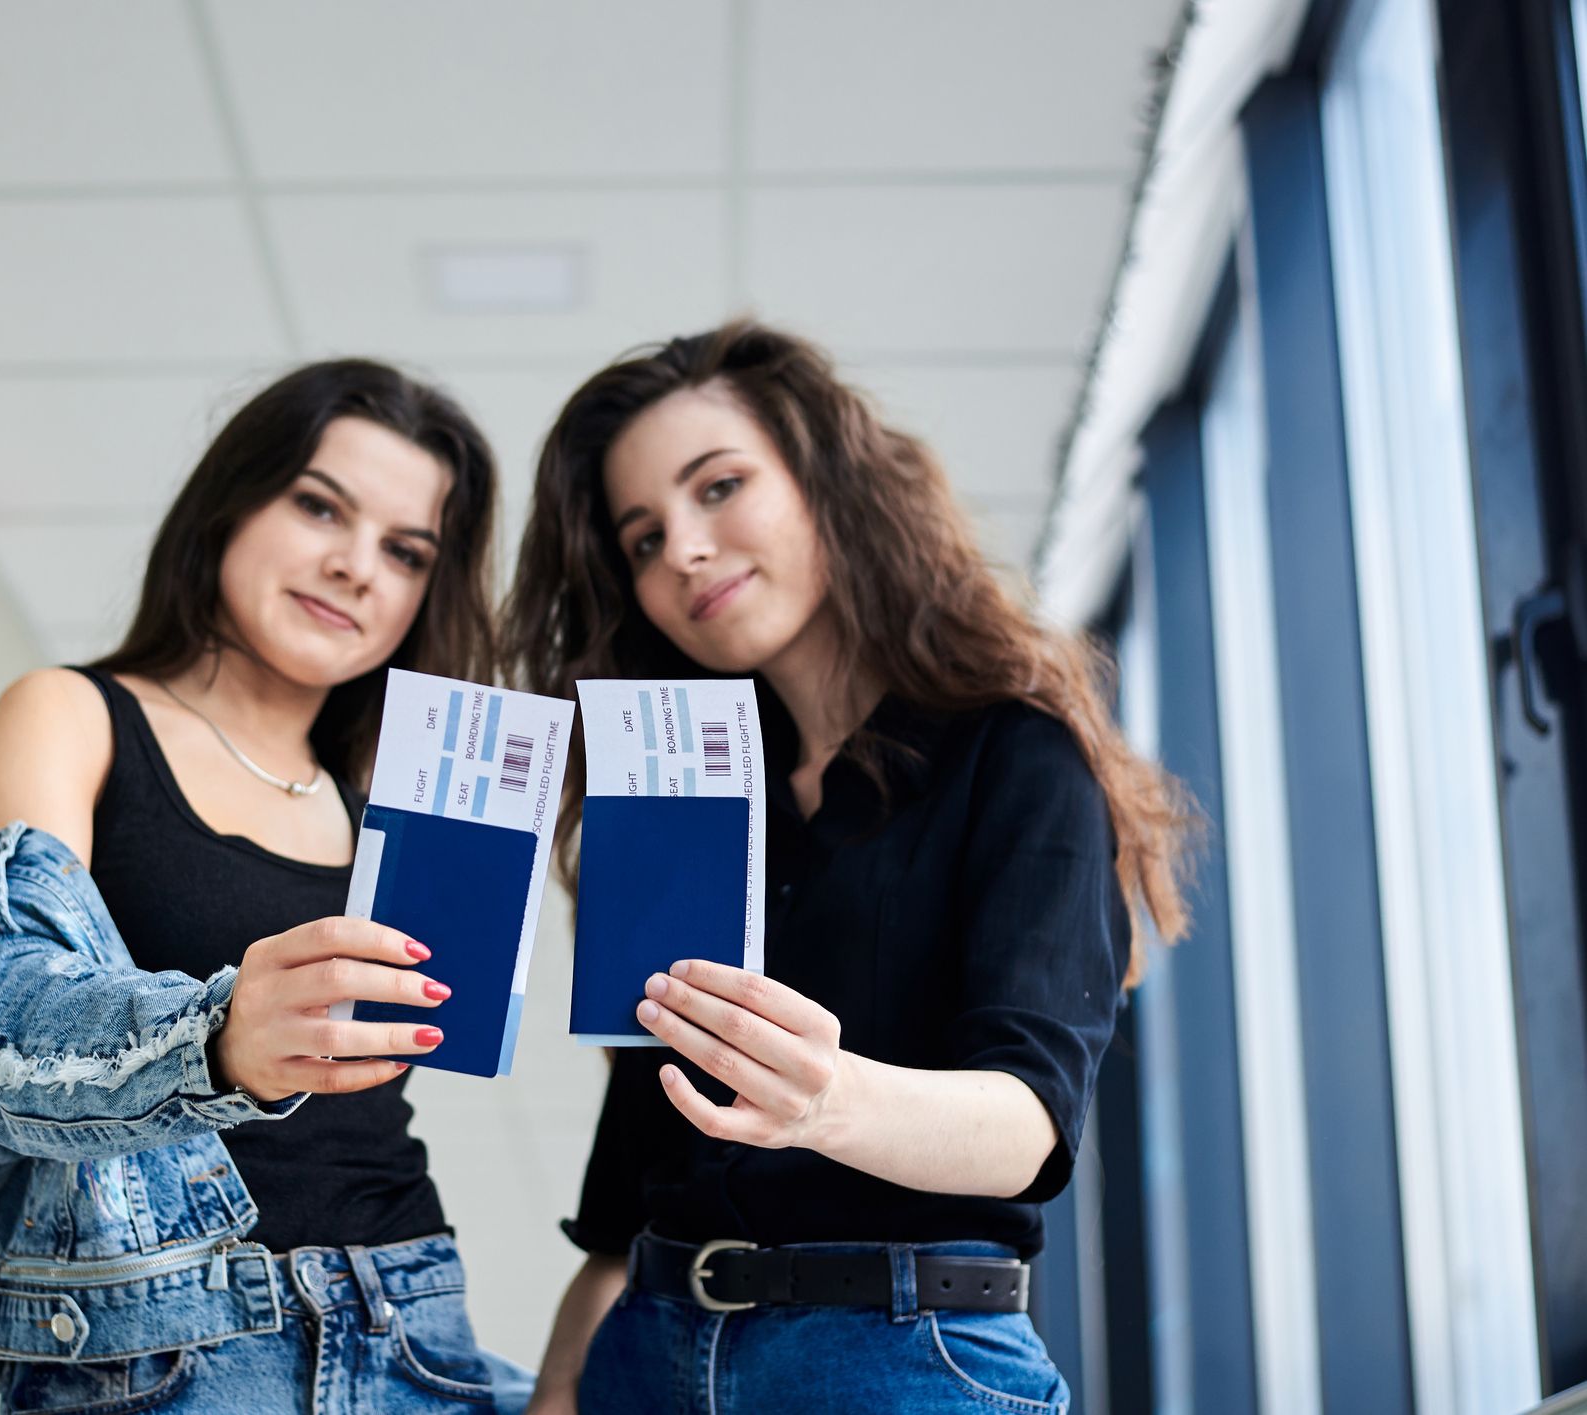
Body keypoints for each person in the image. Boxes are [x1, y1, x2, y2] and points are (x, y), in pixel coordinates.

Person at [501, 321, 1194, 1413]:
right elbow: (634, 1191)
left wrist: (827, 1099)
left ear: (830, 481)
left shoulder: (1014, 755)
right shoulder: (683, 804)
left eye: (718, 486)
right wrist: (555, 1398)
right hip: (647, 1352)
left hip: (899, 1361)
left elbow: (1026, 1126)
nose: (681, 547)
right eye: (642, 538)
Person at [0, 359, 532, 1413]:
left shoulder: (395, 805)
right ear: (232, 501)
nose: (357, 567)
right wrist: (212, 1036)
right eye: (320, 506)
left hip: (413, 1326)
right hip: (165, 1343)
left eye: (406, 552)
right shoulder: (76, 715)